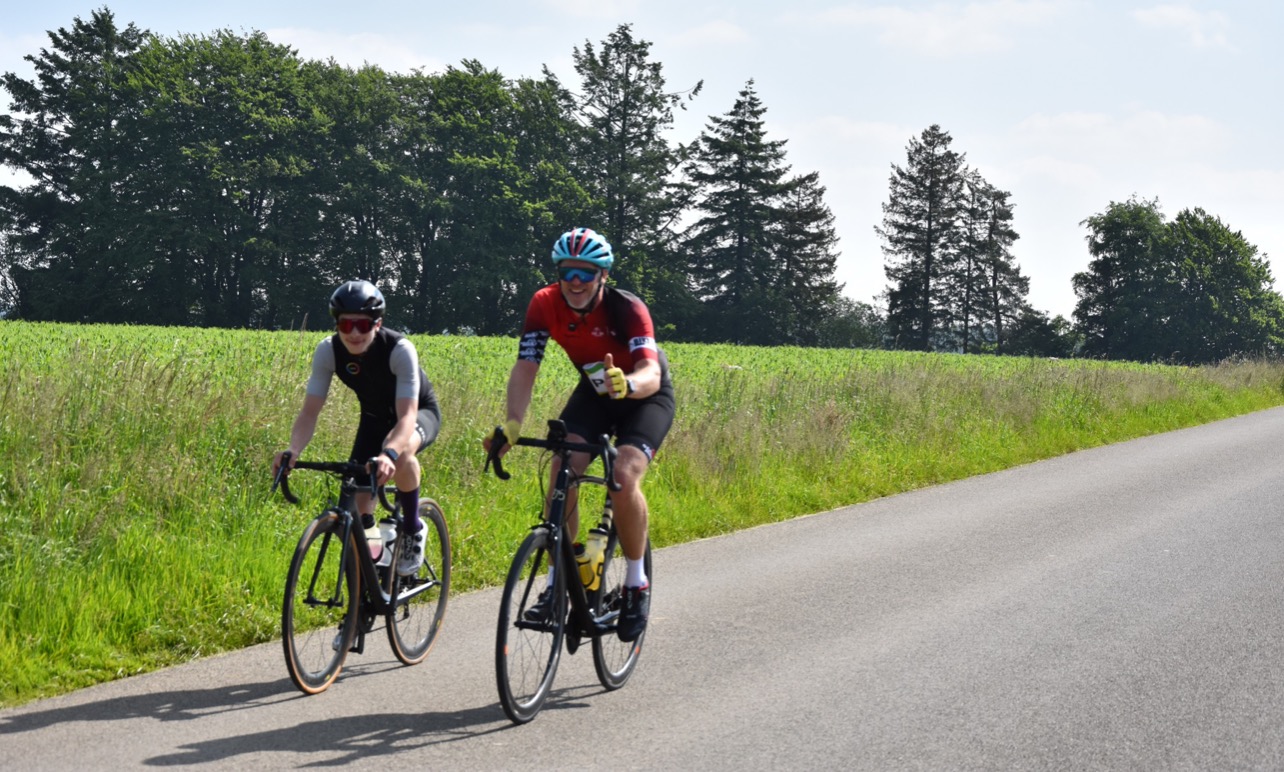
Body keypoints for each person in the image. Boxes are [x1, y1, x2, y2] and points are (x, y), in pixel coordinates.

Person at [487, 227, 675, 642]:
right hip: (594, 394)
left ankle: (636, 583)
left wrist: (628, 383)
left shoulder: (628, 309)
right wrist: (514, 423)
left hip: (644, 398)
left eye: (585, 273)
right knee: (560, 469)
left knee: (623, 479)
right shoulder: (544, 303)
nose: (575, 281)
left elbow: (651, 372)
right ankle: (559, 582)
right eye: (568, 272)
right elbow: (526, 366)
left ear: (602, 276)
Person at [273, 280, 441, 577]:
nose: (353, 333)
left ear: (378, 324)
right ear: (336, 324)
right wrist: (293, 449)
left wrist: (389, 453)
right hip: (374, 419)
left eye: (362, 325)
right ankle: (374, 570)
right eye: (345, 324)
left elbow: (406, 417)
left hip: (416, 415)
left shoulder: (400, 349)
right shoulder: (328, 351)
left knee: (401, 455)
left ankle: (414, 527)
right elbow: (310, 411)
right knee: (361, 510)